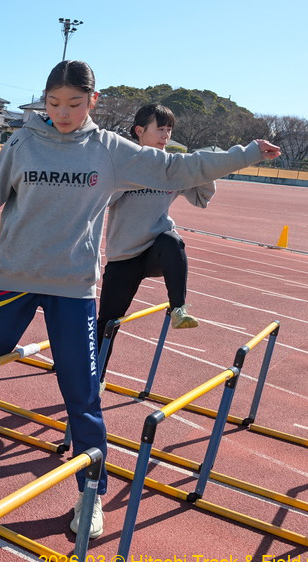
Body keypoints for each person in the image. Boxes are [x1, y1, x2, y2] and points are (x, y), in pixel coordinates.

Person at [0, 60, 280, 540]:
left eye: (74, 104)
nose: (63, 113)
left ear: (93, 101)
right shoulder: (22, 143)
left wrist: (246, 153)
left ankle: (90, 491)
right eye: (53, 103)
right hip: (14, 277)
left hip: (73, 287)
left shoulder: (110, 151)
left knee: (82, 392)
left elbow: (178, 168)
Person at [97, 104, 213, 373]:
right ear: (139, 131)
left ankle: (178, 309)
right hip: (124, 255)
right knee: (108, 323)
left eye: (169, 130)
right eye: (160, 129)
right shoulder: (123, 163)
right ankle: (96, 377)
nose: (166, 136)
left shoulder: (171, 168)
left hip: (155, 251)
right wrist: (137, 175)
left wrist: (202, 168)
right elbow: (103, 199)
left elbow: (201, 198)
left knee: (171, 241)